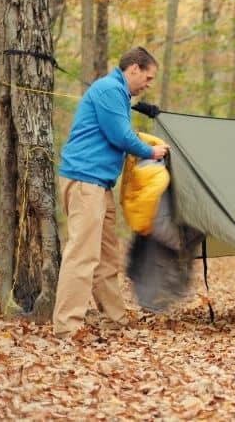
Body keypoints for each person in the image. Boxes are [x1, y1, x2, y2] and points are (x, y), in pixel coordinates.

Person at [53, 47, 169, 339]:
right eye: (148, 77)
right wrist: (150, 151)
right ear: (133, 69)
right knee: (82, 254)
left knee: (107, 256)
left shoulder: (118, 94)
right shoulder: (109, 89)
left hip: (99, 185)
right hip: (84, 181)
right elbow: (120, 135)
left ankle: (115, 319)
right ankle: (67, 327)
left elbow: (119, 131)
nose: (149, 84)